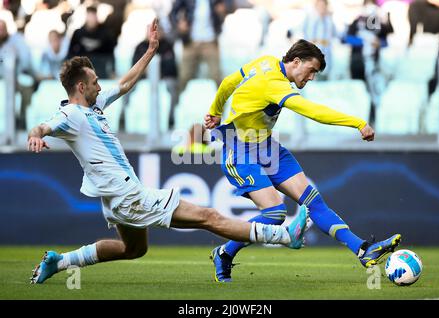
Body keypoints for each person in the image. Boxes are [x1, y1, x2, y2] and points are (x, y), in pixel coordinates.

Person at [27, 19, 308, 285]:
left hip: (115, 197)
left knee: (133, 249)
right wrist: (36, 137)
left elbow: (124, 84)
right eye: (95, 82)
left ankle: (60, 262)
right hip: (127, 196)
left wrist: (150, 51)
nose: (100, 86)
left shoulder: (93, 105)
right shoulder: (70, 114)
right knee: (208, 217)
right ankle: (283, 235)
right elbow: (41, 127)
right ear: (80, 86)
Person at [204, 39, 401, 282]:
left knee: (314, 203)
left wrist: (215, 111)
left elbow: (228, 82)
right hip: (240, 149)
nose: (311, 78)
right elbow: (313, 112)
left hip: (267, 147)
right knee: (275, 213)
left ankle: (362, 250)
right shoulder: (275, 85)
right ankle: (224, 253)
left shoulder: (265, 62)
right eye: (311, 70)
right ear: (296, 62)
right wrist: (358, 123)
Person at [66, 5, 115, 79]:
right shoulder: (78, 33)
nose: (92, 19)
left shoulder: (105, 34)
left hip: (100, 71)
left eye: (93, 16)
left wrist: (112, 70)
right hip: (82, 70)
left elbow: (111, 53)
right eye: (90, 16)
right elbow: (70, 53)